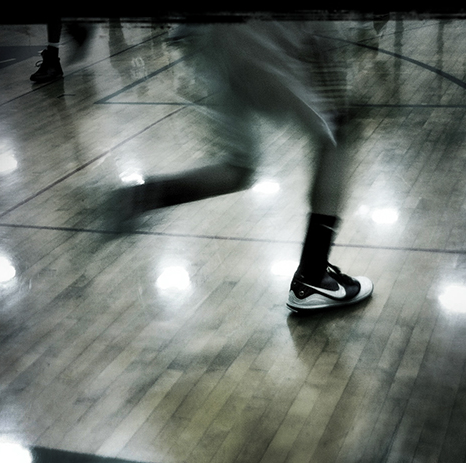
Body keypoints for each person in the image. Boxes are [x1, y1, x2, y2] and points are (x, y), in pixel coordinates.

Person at [108, 20, 374, 312]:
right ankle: (312, 278)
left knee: (239, 168)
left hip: (209, 37)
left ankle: (140, 198)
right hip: (260, 31)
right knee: (336, 136)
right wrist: (334, 87)